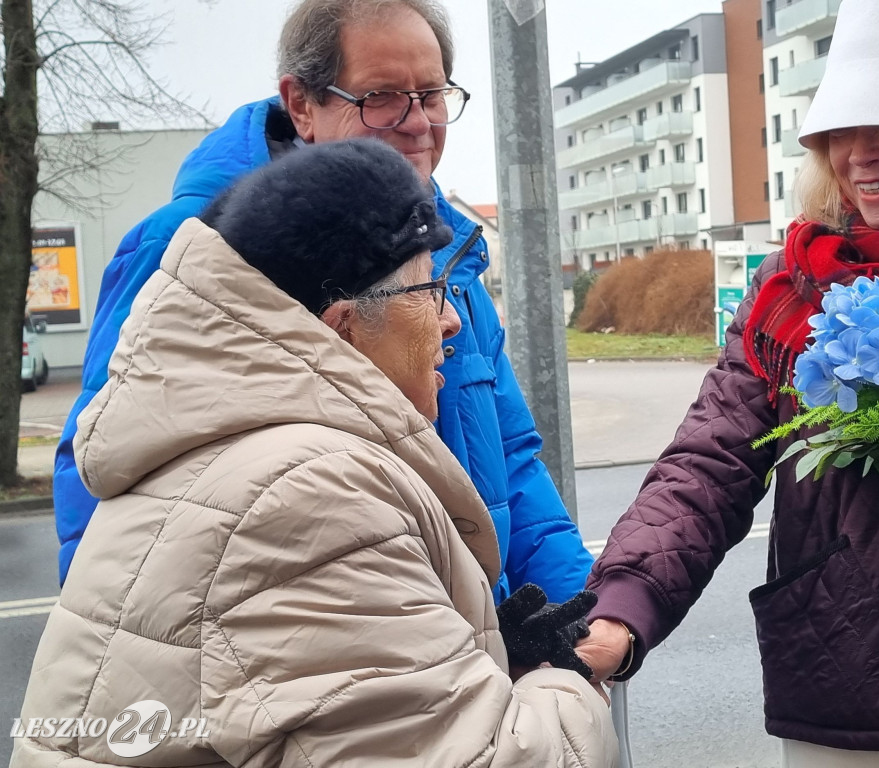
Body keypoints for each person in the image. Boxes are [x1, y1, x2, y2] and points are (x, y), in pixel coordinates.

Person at [11, 139, 617, 767]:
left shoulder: (221, 454)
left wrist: (486, 657)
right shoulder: (310, 497)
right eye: (427, 290)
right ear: (341, 328)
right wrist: (560, 681)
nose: (453, 321)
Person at [575, 0, 879, 765]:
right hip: (840, 686)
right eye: (838, 131)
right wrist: (622, 607)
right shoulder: (791, 288)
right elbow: (709, 462)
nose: (859, 155)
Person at [52, 0, 593, 605]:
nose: (418, 123)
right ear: (303, 104)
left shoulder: (444, 250)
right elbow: (105, 464)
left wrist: (578, 614)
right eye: (382, 96)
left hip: (460, 636)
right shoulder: (193, 243)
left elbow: (512, 457)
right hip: (292, 652)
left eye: (433, 94)